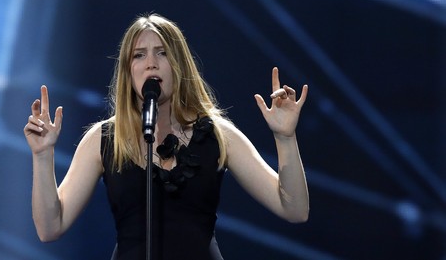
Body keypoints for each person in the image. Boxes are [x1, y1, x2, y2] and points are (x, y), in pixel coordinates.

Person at [23, 13, 309, 260]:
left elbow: (294, 209)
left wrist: (285, 137)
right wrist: (42, 155)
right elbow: (50, 227)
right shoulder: (104, 139)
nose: (151, 63)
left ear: (179, 65)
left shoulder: (218, 135)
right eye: (139, 55)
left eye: (162, 53)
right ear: (128, 71)